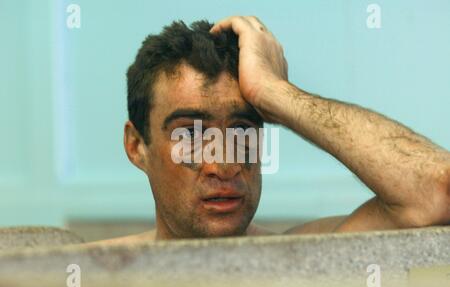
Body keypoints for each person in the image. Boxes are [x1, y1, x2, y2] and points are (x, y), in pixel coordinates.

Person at [96, 16, 450, 243]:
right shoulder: (90, 275)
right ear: (136, 146)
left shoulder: (302, 265)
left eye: (242, 132)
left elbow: (438, 190)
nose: (224, 166)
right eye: (190, 137)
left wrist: (275, 93)